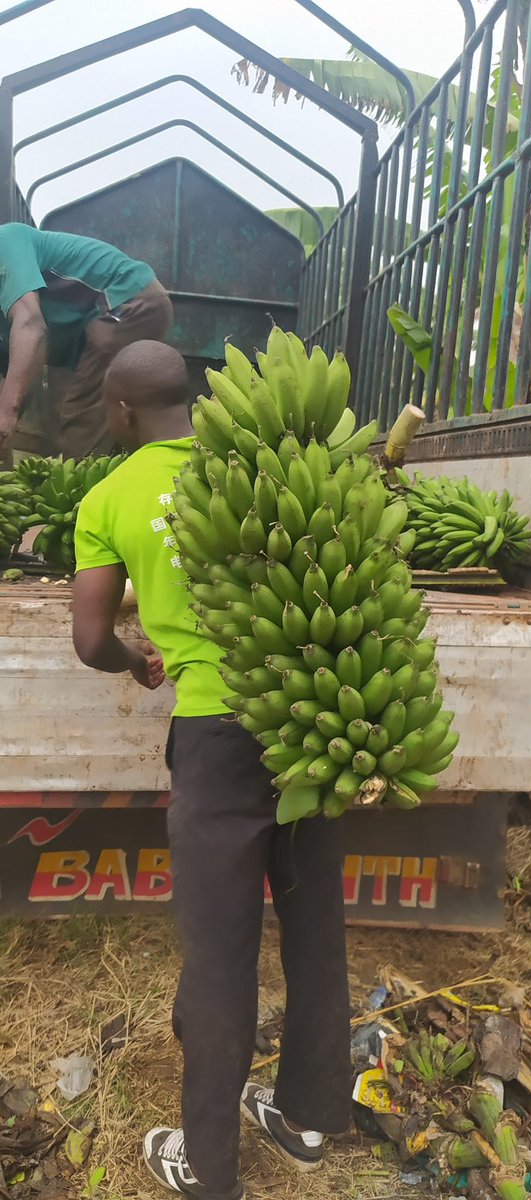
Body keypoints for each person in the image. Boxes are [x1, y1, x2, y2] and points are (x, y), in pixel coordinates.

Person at [72, 340, 351, 1200]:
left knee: (221, 952)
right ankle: (309, 1119)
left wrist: (134, 661)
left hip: (218, 737)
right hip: (314, 716)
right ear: (191, 398)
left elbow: (89, 640)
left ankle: (208, 1166)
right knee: (313, 930)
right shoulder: (268, 456)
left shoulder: (109, 496)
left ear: (121, 412)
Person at [0, 222, 173, 459]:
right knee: (56, 425)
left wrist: (7, 413)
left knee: (79, 421)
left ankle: (78, 492)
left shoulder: (7, 241)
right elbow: (17, 379)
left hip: (128, 299)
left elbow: (31, 324)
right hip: (79, 341)